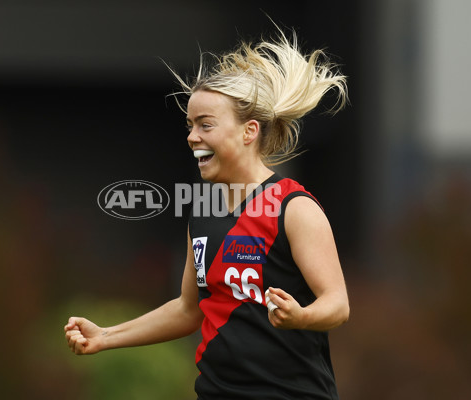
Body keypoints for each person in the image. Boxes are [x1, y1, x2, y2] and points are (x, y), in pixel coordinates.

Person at [65, 27, 350, 399]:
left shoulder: (293, 208)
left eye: (205, 125)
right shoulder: (202, 210)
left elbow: (337, 304)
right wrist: (105, 336)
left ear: (249, 131)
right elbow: (188, 309)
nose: (191, 136)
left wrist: (303, 316)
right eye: (190, 125)